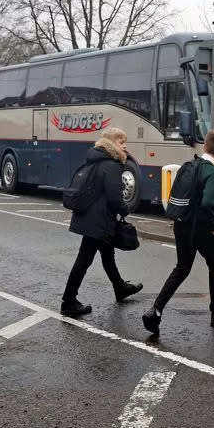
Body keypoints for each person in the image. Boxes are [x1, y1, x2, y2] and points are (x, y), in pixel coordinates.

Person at [142, 130, 214, 335]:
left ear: (204, 147)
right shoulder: (213, 174)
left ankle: (156, 310)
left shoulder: (188, 165)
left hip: (182, 223)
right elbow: (208, 203)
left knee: (182, 267)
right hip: (201, 228)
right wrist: (213, 226)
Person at [61, 127, 143, 317]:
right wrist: (125, 209)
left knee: (107, 255)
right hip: (97, 221)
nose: (125, 146)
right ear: (112, 143)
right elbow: (115, 198)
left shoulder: (97, 159)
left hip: (92, 217)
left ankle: (120, 287)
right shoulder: (111, 165)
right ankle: (68, 301)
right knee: (84, 260)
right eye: (122, 142)